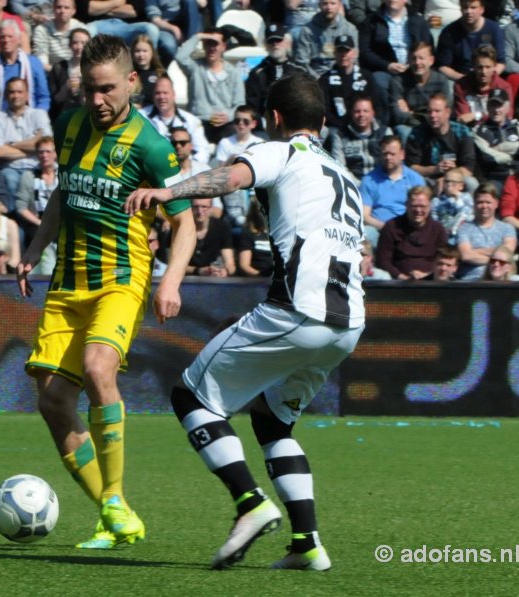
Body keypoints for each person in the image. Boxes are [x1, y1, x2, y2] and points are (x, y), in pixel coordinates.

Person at [124, 72, 365, 571]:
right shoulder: (346, 177)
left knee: (191, 395)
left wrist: (169, 194)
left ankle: (251, 504)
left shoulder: (281, 151)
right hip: (348, 324)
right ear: (322, 121)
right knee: (273, 420)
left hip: (298, 310)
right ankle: (307, 545)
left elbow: (231, 177)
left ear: (274, 119)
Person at [16, 34, 195, 551]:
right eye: (89, 89)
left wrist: (171, 281)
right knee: (52, 402)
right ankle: (113, 516)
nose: (98, 100)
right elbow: (62, 193)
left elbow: (184, 226)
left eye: (108, 89)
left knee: (98, 368)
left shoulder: (151, 146)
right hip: (67, 280)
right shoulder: (71, 126)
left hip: (121, 278)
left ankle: (114, 497)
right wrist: (34, 247)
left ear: (133, 83)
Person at [0, 77, 53, 208]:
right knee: (10, 180)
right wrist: (33, 146)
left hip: (37, 167)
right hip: (10, 168)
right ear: (6, 95)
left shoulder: (39, 115)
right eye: (11, 92)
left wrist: (11, 144)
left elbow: (47, 145)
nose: (15, 95)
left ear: (27, 94)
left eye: (19, 91)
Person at [174, 27, 245, 144]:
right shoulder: (195, 68)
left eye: (215, 44)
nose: (212, 48)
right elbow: (180, 57)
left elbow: (240, 103)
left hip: (225, 124)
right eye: (208, 44)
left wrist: (229, 115)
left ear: (223, 47)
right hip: (199, 122)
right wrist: (198, 36)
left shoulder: (233, 73)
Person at [0, 19, 50, 121]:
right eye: (2, 37)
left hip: (31, 119)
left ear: (19, 39)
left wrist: (36, 117)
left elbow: (43, 98)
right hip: (0, 120)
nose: (6, 40)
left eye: (10, 36)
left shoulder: (34, 63)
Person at [360, 135, 426, 246]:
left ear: (402, 154)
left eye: (392, 154)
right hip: (380, 230)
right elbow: (364, 216)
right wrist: (387, 228)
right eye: (385, 154)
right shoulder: (369, 180)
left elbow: (423, 211)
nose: (388, 157)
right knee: (366, 233)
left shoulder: (416, 179)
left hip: (409, 229)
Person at [405, 93, 477, 193]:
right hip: (427, 180)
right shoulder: (417, 133)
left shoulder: (462, 132)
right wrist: (435, 169)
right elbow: (411, 167)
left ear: (447, 112)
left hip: (456, 180)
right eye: (429, 111)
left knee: (471, 183)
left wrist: (448, 178)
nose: (432, 115)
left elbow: (468, 168)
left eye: (437, 111)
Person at [376, 185, 449, 279]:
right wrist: (402, 277)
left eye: (422, 206)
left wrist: (427, 275)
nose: (418, 210)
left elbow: (444, 259)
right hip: (398, 282)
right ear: (406, 205)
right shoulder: (392, 227)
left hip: (431, 281)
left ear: (430, 206)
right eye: (414, 206)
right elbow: (383, 261)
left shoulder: (438, 229)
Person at [389, 41, 453, 140]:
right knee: (404, 132)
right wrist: (430, 115)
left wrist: (413, 114)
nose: (417, 63)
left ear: (431, 60)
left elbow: (445, 112)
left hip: (435, 125)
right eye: (413, 58)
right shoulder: (398, 82)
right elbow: (398, 116)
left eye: (421, 58)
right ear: (408, 60)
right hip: (410, 127)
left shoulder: (441, 81)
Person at [140, 75, 211, 164]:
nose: (162, 97)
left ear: (174, 95)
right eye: (158, 93)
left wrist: (186, 168)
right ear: (153, 96)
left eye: (165, 93)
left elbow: (202, 151)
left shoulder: (191, 121)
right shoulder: (140, 117)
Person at [318, 35, 381, 131]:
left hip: (366, 126)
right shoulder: (325, 79)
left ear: (354, 53)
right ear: (335, 53)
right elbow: (324, 110)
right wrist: (343, 127)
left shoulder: (366, 77)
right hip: (338, 129)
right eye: (340, 51)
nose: (343, 55)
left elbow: (378, 103)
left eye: (347, 51)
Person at [456, 182, 517, 279]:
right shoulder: (464, 228)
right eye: (480, 202)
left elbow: (507, 254)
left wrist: (476, 251)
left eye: (488, 202)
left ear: (496, 203)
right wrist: (496, 258)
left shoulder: (507, 228)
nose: (484, 206)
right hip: (471, 280)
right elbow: (466, 255)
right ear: (474, 204)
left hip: (500, 280)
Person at [245, 23, 304, 121]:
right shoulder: (257, 73)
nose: (275, 44)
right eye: (271, 41)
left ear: (288, 43)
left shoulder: (299, 71)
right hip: (265, 123)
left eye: (279, 40)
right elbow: (253, 105)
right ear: (265, 45)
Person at [328, 96, 393, 184]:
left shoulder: (385, 133)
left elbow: (392, 161)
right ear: (351, 113)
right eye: (357, 111)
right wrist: (359, 185)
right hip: (353, 185)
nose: (361, 115)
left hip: (381, 184)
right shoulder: (340, 135)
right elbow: (339, 166)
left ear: (373, 113)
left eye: (365, 111)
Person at [436, 0, 504, 81]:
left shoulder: (494, 29)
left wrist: (487, 77)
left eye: (473, 7)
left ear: (482, 9)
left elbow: (501, 62)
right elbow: (443, 66)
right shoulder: (449, 33)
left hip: (488, 78)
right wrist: (465, 80)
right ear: (460, 9)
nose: (468, 11)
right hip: (459, 79)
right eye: (465, 7)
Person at [293, 0, 359, 79]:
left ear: (339, 5)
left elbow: (354, 59)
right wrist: (317, 78)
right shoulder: (307, 30)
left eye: (333, 3)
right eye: (325, 3)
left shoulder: (349, 29)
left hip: (342, 77)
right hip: (315, 77)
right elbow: (302, 62)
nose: (329, 7)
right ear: (319, 5)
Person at [15, 135, 57, 256]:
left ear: (55, 153)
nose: (44, 155)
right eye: (41, 152)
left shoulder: (63, 175)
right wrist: (40, 223)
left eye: (48, 151)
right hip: (37, 223)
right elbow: (21, 207)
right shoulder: (28, 176)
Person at [473, 88, 519, 191]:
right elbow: (488, 157)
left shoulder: (518, 127)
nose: (496, 110)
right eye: (492, 105)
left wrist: (501, 147)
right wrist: (514, 155)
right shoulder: (479, 132)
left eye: (499, 105)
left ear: (508, 107)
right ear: (487, 107)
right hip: (496, 179)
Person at [453, 44, 512, 127]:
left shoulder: (504, 87)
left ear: (494, 66)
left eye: (488, 67)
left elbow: (507, 117)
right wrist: (491, 116)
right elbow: (463, 118)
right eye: (480, 67)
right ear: (473, 66)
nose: (484, 72)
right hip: (471, 132)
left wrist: (477, 115)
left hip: (496, 131)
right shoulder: (461, 86)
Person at [48, 27, 88, 119]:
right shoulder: (59, 68)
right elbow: (55, 101)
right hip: (64, 115)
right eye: (75, 43)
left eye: (84, 43)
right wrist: (65, 88)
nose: (79, 47)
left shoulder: (94, 68)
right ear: (70, 45)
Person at [32, 0, 85, 72]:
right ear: (53, 9)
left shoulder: (81, 29)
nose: (62, 11)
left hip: (77, 72)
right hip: (52, 74)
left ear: (73, 11)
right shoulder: (42, 30)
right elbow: (41, 61)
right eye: (58, 7)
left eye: (66, 8)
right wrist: (61, 73)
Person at [431, 167, 474, 243]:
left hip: (462, 234)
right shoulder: (437, 201)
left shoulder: (466, 197)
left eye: (454, 183)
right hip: (443, 233)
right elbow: (433, 216)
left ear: (461, 186)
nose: (449, 185)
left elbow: (468, 214)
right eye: (447, 182)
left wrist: (457, 200)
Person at [236, 198, 273, 278]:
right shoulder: (248, 233)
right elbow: (244, 265)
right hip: (259, 280)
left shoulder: (279, 232)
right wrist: (261, 276)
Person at [129, 34, 164, 106]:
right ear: (132, 53)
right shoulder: (128, 75)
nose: (141, 54)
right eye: (137, 51)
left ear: (152, 53)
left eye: (145, 51)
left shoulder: (161, 74)